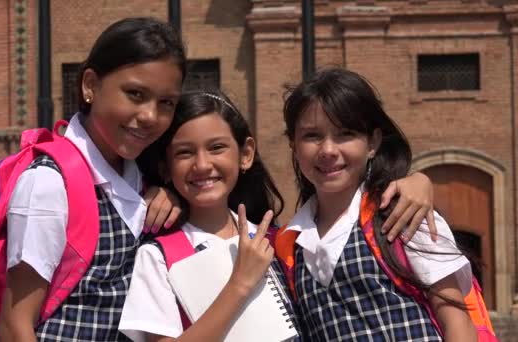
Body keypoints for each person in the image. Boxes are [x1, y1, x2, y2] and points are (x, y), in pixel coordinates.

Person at [119, 90, 439, 341]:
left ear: (245, 154)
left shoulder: (285, 242)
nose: (202, 165)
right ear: (165, 167)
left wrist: (417, 181)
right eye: (184, 153)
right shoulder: (157, 256)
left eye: (217, 148)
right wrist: (240, 284)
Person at [0, 17, 186, 341]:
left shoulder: (141, 180)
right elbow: (15, 326)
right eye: (135, 94)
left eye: (166, 103)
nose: (150, 116)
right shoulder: (49, 183)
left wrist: (170, 196)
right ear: (90, 86)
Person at [281, 67, 476, 341]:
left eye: (345, 134)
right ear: (294, 145)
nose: (328, 150)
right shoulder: (291, 247)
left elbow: (459, 325)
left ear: (372, 142)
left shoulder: (403, 215)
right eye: (312, 136)